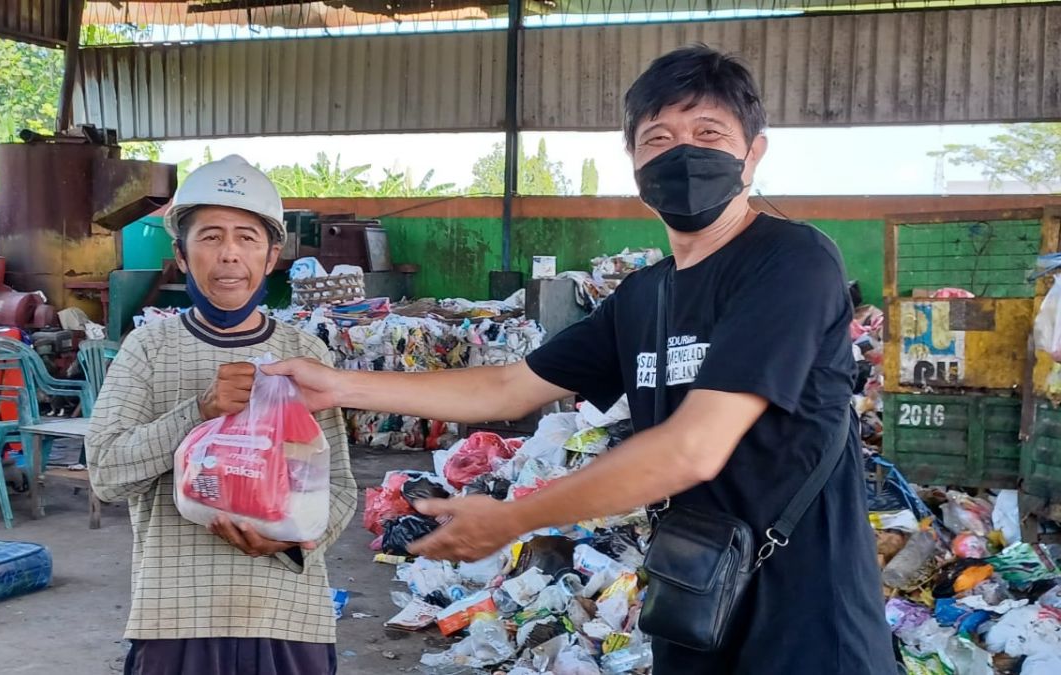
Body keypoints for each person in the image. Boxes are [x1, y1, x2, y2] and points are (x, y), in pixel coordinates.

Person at [265, 46, 897, 674]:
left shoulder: (791, 262)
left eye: (709, 133)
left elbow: (692, 448)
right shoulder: (644, 297)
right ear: (634, 161)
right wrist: (339, 385)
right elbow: (509, 388)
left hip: (810, 622)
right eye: (659, 138)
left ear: (752, 153)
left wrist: (512, 519)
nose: (684, 153)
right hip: (696, 606)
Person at [87, 155, 357, 675]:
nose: (229, 255)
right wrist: (199, 411)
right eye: (210, 237)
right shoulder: (149, 348)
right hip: (176, 618)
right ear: (182, 256)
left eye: (246, 238)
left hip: (287, 615)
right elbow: (106, 474)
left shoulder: (304, 353)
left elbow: (339, 487)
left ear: (272, 255)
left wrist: (292, 539)